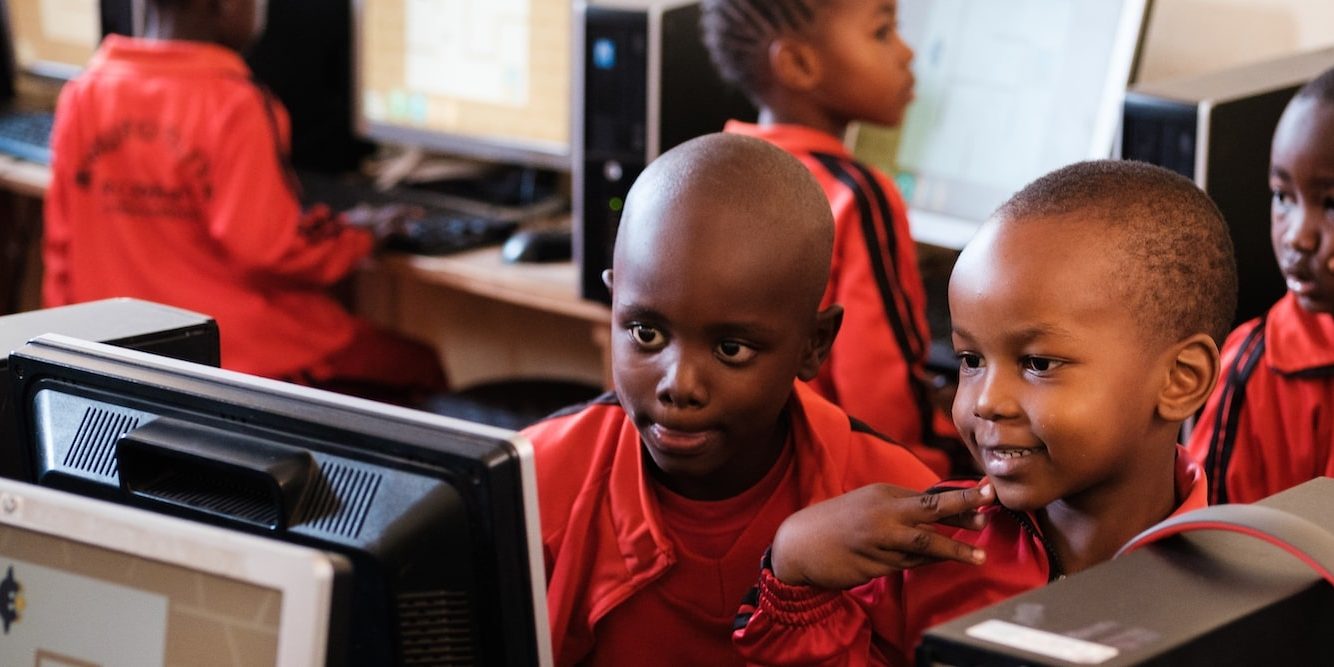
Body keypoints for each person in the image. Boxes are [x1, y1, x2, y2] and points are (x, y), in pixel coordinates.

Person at [732, 159, 1237, 665]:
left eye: (1038, 363)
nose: (985, 402)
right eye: (970, 360)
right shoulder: (925, 556)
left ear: (1180, 380)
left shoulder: (1239, 586)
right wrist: (795, 571)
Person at [522, 132, 941, 667]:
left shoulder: (894, 506)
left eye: (731, 348)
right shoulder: (539, 483)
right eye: (646, 333)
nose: (680, 384)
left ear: (814, 346)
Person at [42, 0, 445, 402]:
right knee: (419, 364)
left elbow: (61, 251)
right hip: (245, 358)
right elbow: (274, 248)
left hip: (125, 360)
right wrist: (360, 233)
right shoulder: (234, 101)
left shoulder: (83, 92)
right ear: (227, 6)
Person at [701, 0, 958, 475]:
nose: (906, 53)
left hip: (749, 479)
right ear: (799, 64)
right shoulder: (857, 196)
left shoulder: (707, 170)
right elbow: (882, 402)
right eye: (883, 32)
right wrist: (956, 461)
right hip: (835, 481)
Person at [1187, 69, 1334, 505]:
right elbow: (1206, 546)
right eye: (1282, 197)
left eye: (1331, 204)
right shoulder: (1258, 372)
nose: (1296, 237)